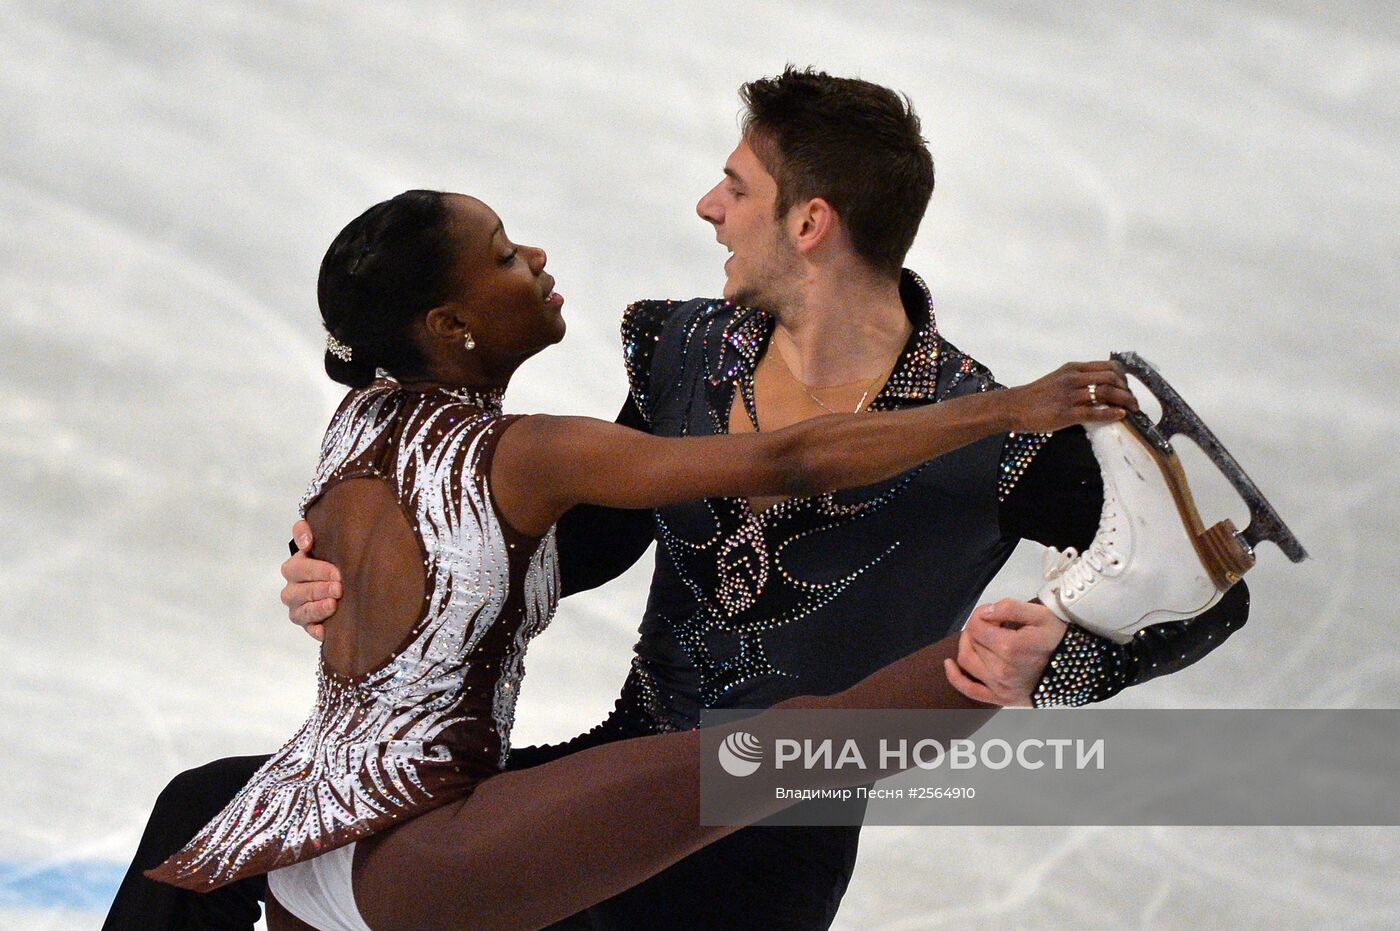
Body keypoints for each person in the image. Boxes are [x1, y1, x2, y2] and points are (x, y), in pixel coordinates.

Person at [106, 68, 1250, 931]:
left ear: (810, 224)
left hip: (764, 843)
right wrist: (386, 577)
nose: (707, 204)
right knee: (216, 813)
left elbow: (1200, 599)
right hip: (620, 763)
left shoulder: (989, 435)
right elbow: (594, 533)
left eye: (738, 185)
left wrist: (1057, 657)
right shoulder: (687, 352)